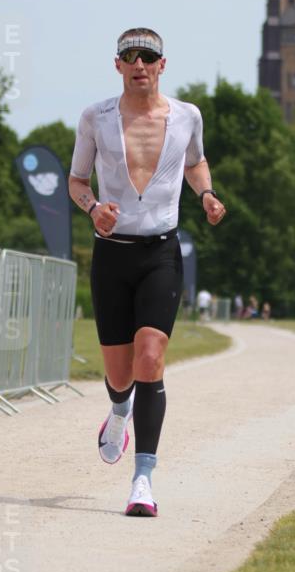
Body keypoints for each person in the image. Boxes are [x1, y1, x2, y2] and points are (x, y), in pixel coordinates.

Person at [68, 27, 226, 517]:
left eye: (148, 56)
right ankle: (119, 412)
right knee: (120, 376)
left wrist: (205, 194)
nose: (139, 64)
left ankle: (143, 480)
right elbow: (77, 180)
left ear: (162, 64)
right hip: (112, 254)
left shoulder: (186, 117)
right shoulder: (95, 118)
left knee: (151, 359)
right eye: (129, 57)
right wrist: (94, 207)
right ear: (117, 65)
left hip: (161, 250)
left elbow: (196, 164)